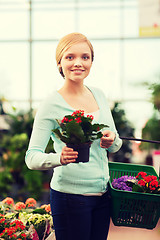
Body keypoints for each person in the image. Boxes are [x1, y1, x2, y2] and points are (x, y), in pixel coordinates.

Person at [25, 32, 122, 240]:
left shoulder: (99, 95)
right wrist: (58, 158)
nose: (78, 63)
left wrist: (111, 138)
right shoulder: (51, 103)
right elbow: (31, 157)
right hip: (69, 198)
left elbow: (116, 145)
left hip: (103, 196)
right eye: (70, 57)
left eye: (85, 57)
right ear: (59, 63)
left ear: (91, 62)